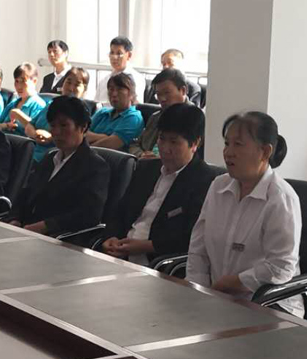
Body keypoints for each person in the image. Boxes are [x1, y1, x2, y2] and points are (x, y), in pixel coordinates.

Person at [185, 111, 303, 315]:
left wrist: (234, 283)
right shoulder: (218, 186)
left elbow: (281, 267)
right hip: (219, 299)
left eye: (238, 144)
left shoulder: (280, 198)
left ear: (265, 151)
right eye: (227, 143)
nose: (228, 152)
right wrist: (198, 291)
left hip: (268, 304)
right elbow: (198, 247)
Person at [100, 103, 212, 267]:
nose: (165, 148)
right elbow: (120, 211)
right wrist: (111, 237)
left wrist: (147, 246)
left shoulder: (205, 180)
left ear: (195, 143)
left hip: (159, 264)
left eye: (174, 142)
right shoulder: (146, 169)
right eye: (161, 139)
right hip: (118, 257)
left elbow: (190, 237)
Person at [7, 95, 110, 237]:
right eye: (53, 125)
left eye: (63, 125)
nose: (56, 132)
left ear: (83, 127)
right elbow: (26, 193)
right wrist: (15, 219)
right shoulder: (49, 158)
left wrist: (45, 226)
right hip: (26, 231)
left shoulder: (95, 167)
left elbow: (89, 214)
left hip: (58, 238)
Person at [130, 68, 192, 158]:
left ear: (183, 90)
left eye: (167, 93)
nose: (162, 99)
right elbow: (135, 144)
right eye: (158, 94)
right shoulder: (155, 117)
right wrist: (142, 154)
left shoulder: (195, 119)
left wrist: (160, 159)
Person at [0, 63, 51, 156]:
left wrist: (18, 115)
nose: (19, 86)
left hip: (20, 150)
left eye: (23, 81)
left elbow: (35, 132)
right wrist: (6, 125)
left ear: (34, 81)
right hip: (3, 144)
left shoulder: (38, 104)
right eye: (16, 81)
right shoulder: (13, 103)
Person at [85, 73, 145, 150]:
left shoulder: (133, 117)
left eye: (119, 89)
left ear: (131, 94)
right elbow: (81, 133)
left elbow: (112, 144)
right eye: (111, 89)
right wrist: (104, 137)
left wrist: (85, 148)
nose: (114, 94)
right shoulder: (102, 112)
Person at [97, 36, 145, 105]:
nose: (114, 57)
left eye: (119, 53)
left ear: (129, 55)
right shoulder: (104, 80)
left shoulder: (136, 78)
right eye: (112, 53)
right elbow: (96, 104)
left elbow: (136, 105)